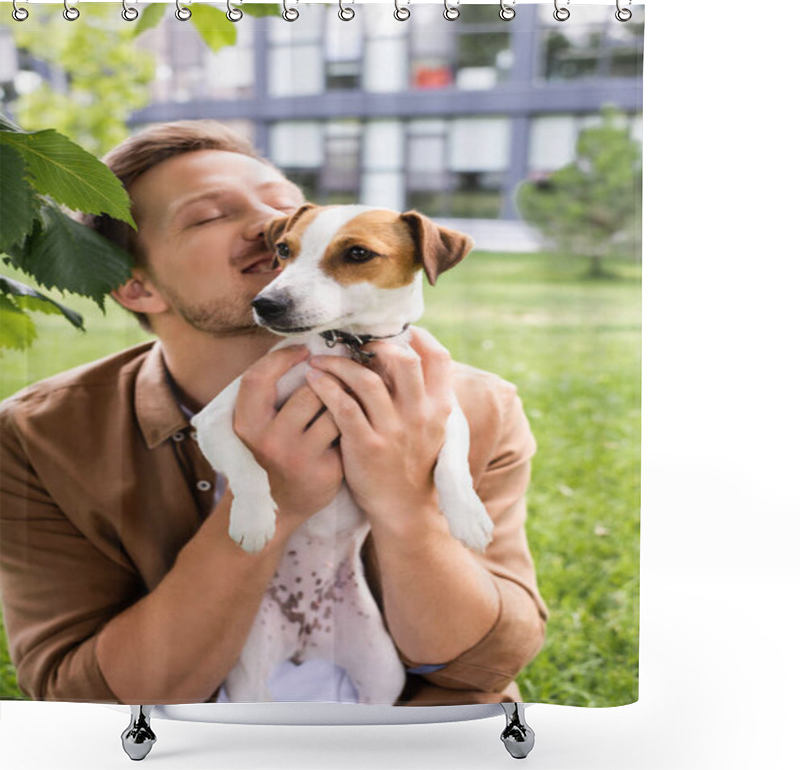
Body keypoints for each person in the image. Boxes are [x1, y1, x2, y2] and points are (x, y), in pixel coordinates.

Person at [0, 120, 548, 706]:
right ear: (136, 287)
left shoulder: (480, 408)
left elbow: (483, 670)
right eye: (210, 215)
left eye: (287, 207)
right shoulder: (40, 439)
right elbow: (83, 701)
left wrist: (407, 506)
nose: (272, 226)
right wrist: (269, 503)